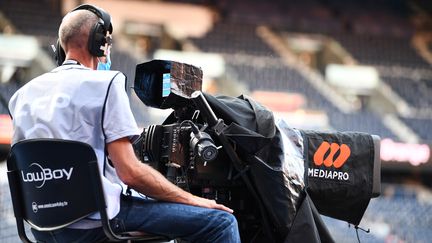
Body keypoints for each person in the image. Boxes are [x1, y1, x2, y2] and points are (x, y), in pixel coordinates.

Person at [8, 4, 240, 243]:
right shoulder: (106, 84)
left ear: (60, 47)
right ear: (99, 43)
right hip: (96, 224)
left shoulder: (21, 96)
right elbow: (129, 173)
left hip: (43, 228)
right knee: (220, 223)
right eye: (107, 44)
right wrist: (195, 200)